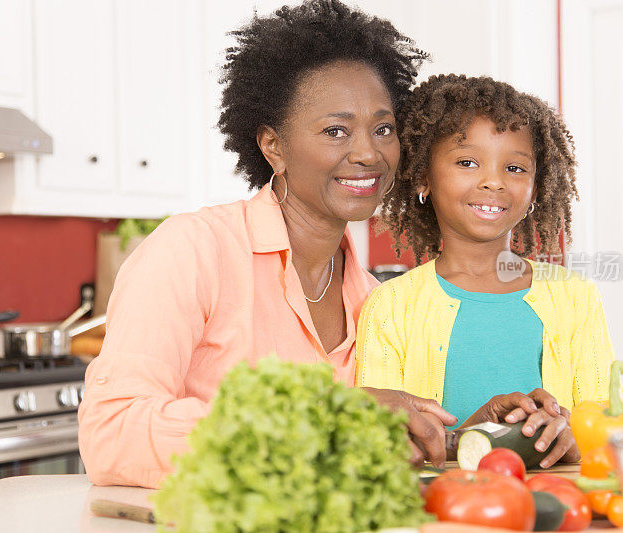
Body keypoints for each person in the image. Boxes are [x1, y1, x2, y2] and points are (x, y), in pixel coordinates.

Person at [78, 3, 567, 488]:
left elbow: (374, 443)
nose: (367, 154)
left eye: (383, 129)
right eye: (336, 131)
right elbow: (113, 432)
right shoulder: (193, 251)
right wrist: (327, 417)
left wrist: (473, 434)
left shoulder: (374, 300)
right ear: (274, 146)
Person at [356, 74, 616, 467]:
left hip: (558, 506)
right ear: (424, 177)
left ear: (535, 189)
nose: (493, 181)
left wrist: (574, 436)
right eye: (467, 162)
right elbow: (382, 439)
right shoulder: (390, 305)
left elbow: (609, 424)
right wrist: (463, 439)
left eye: (515, 168)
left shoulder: (575, 296)